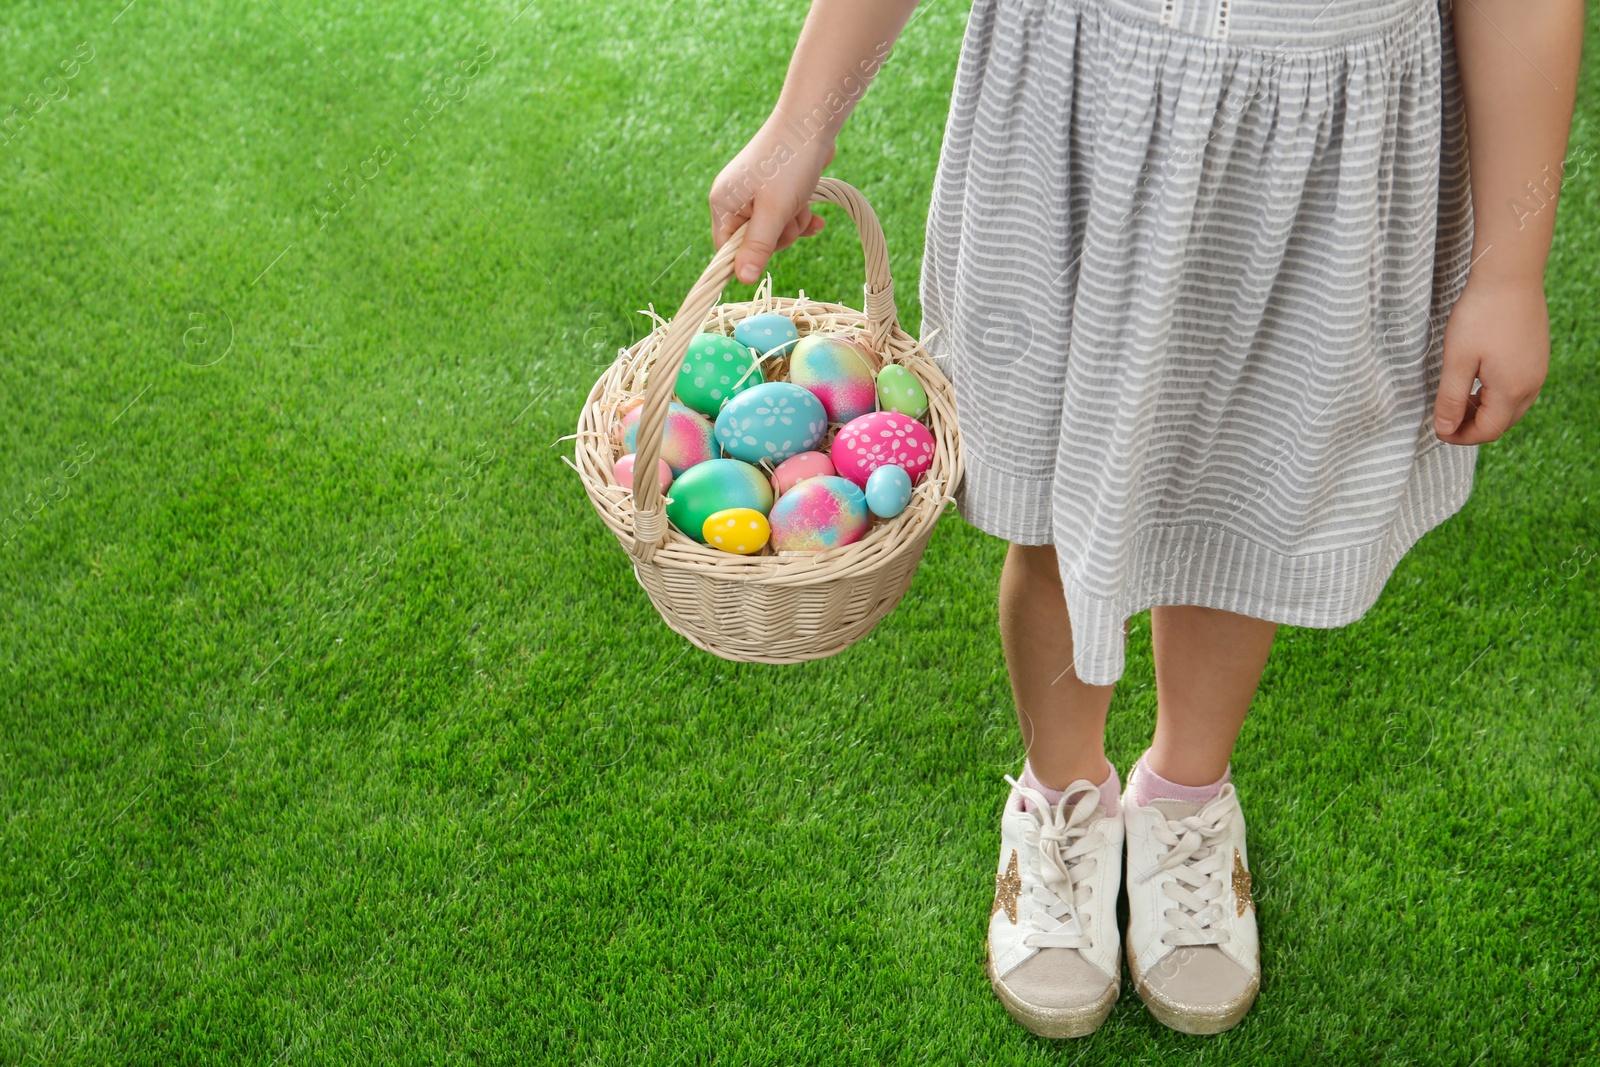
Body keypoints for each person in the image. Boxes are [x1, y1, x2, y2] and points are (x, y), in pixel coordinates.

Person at [708, 0, 1582, 1038]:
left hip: (1313, 146)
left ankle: (1184, 798)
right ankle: (1062, 792)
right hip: (1076, 110)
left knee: (1236, 509)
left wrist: (1510, 269)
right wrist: (801, 121)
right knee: (1057, 508)